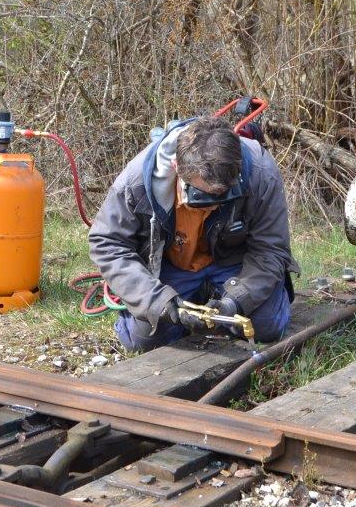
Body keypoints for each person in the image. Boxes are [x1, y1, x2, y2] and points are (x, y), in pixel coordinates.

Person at [89, 116, 298, 351]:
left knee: (266, 327)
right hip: (172, 266)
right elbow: (107, 244)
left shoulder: (261, 173)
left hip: (234, 263)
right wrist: (159, 302)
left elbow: (271, 249)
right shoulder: (136, 181)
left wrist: (235, 301)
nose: (213, 207)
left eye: (223, 196)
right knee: (145, 340)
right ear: (176, 167)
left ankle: (222, 302)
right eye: (202, 197)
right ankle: (181, 305)